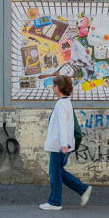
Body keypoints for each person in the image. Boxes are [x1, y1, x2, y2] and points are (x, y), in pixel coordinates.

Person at [39, 75, 92, 210]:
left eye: (54, 85)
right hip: (63, 144)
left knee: (55, 173)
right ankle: (83, 189)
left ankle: (55, 202)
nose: (52, 87)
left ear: (60, 87)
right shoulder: (65, 102)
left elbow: (63, 126)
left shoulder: (62, 104)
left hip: (59, 145)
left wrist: (63, 144)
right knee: (58, 172)